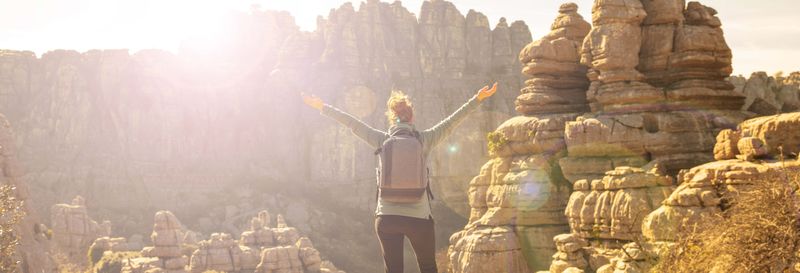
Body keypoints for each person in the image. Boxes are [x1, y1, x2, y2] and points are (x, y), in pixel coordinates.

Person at [301, 82, 498, 273]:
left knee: (393, 270)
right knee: (428, 267)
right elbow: (451, 122)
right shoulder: (424, 139)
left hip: (387, 218)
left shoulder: (381, 139)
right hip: (419, 218)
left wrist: (322, 106)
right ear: (411, 118)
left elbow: (353, 124)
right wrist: (477, 99)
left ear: (392, 118)